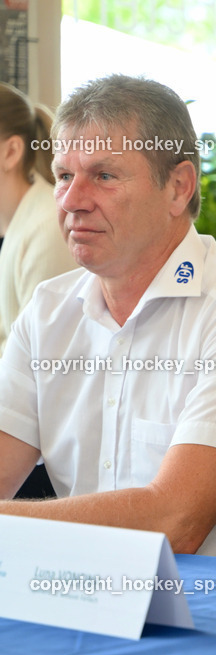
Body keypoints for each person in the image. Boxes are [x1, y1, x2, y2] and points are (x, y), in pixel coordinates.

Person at [0, 75, 216, 561]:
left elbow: (175, 521)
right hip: (94, 603)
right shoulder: (48, 311)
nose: (71, 200)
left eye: (105, 176)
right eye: (65, 175)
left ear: (178, 187)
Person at [0, 83, 79, 499]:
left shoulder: (47, 228)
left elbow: (40, 368)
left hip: (37, 458)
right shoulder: (17, 226)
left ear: (11, 153)